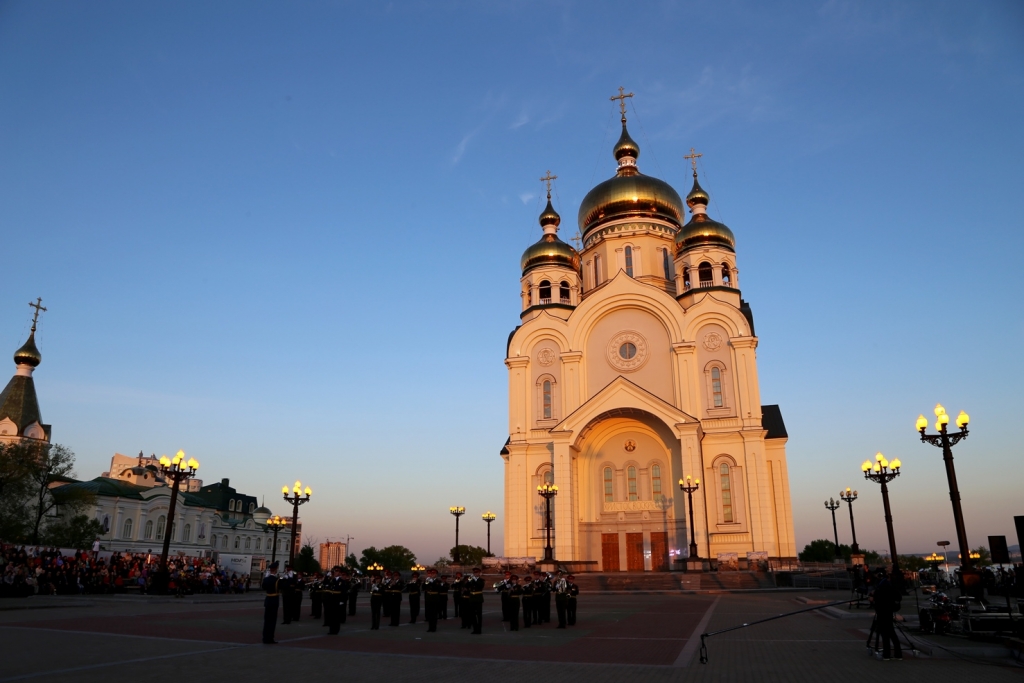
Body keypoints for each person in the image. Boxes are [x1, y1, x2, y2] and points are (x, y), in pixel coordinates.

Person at [870, 568, 903, 661]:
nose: (875, 576)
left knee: (885, 633)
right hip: (887, 611)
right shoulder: (887, 584)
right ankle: (898, 654)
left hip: (883, 611)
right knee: (891, 632)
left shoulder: (883, 585)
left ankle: (887, 654)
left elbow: (880, 598)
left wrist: (873, 598)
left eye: (877, 575)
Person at [261, 561, 280, 644]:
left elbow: (263, 587)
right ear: (275, 570)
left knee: (266, 620)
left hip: (268, 600)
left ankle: (265, 637)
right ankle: (270, 638)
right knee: (272, 621)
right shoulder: (277, 580)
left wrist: (266, 578)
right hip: (274, 601)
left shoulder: (266, 579)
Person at [468, 566, 485, 634]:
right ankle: (475, 629)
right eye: (474, 573)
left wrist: (475, 579)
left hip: (478, 599)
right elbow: (466, 585)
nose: (475, 574)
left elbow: (480, 586)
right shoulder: (471, 579)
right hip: (472, 598)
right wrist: (470, 580)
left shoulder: (481, 580)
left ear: (479, 573)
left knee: (479, 615)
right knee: (472, 615)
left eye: (477, 572)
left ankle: (479, 629)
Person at [423, 568, 440, 632]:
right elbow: (423, 588)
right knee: (429, 613)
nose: (432, 574)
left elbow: (437, 588)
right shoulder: (428, 580)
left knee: (434, 614)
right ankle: (430, 627)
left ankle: (434, 627)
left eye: (434, 573)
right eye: (432, 573)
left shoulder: (438, 581)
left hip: (435, 598)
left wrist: (431, 581)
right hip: (428, 598)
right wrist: (425, 581)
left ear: (436, 574)